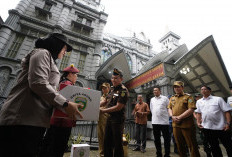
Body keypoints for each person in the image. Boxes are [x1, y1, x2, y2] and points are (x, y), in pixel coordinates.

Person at [0, 33, 83, 157]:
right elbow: (38, 83)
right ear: (57, 45)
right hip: (21, 120)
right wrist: (65, 104)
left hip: (34, 120)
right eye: (65, 48)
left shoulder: (50, 59)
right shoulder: (42, 53)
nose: (65, 52)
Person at [39, 64, 81, 157]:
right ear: (70, 74)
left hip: (56, 120)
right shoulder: (67, 84)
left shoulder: (62, 83)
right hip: (63, 121)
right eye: (76, 75)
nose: (77, 77)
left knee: (48, 144)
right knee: (57, 147)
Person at [195, 85, 232, 157]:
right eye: (202, 89)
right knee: (214, 146)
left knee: (228, 146)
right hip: (208, 128)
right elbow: (198, 113)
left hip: (221, 127)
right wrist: (198, 122)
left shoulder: (218, 99)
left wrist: (228, 123)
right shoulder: (199, 101)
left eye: (205, 89)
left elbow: (227, 111)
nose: (203, 90)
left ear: (210, 91)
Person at [100, 68, 129, 157]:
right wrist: (95, 106)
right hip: (109, 118)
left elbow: (118, 107)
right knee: (107, 141)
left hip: (117, 119)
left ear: (121, 79)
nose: (113, 80)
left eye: (116, 78)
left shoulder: (123, 90)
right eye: (112, 78)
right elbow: (105, 101)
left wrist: (103, 110)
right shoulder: (112, 89)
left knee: (117, 143)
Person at [168, 81, 200, 157]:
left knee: (192, 144)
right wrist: (172, 116)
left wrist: (180, 117)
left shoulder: (188, 97)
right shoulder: (172, 98)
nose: (176, 88)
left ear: (182, 87)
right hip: (175, 124)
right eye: (175, 87)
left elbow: (191, 109)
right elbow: (169, 108)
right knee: (179, 144)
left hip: (187, 125)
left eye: (178, 87)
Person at [150, 87, 170, 157]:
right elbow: (152, 109)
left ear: (160, 91)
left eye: (156, 90)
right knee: (156, 139)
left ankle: (167, 154)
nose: (154, 91)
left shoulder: (165, 98)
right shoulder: (152, 99)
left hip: (164, 122)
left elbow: (169, 108)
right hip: (155, 122)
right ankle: (159, 154)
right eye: (154, 90)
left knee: (166, 139)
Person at [193, 93, 212, 157]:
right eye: (196, 97)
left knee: (208, 136)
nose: (197, 98)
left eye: (199, 96)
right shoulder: (194, 103)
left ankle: (208, 148)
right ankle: (205, 148)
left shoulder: (204, 102)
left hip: (207, 121)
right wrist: (197, 118)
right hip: (198, 122)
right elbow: (194, 112)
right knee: (201, 135)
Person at [98, 82, 110, 157]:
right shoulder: (101, 97)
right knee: (100, 137)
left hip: (107, 119)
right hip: (99, 118)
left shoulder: (111, 97)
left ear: (108, 88)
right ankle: (101, 153)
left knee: (107, 137)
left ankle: (107, 153)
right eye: (102, 88)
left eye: (105, 88)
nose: (103, 89)